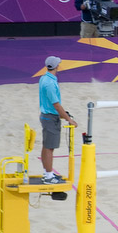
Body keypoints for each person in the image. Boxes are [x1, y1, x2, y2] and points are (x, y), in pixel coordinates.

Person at [38, 56, 78, 185]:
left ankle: (47, 173)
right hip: (50, 117)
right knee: (49, 147)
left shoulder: (44, 78)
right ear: (56, 66)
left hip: (46, 115)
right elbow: (56, 104)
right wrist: (68, 119)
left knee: (46, 146)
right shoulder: (50, 83)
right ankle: (49, 176)